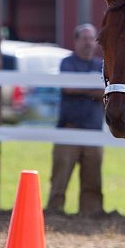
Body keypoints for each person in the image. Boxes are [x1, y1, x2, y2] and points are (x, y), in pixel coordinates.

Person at [46, 23, 105, 217]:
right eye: (84, 39)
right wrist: (93, 90)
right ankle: (55, 212)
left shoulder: (101, 65)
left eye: (91, 39)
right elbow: (68, 88)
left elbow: (106, 92)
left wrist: (87, 90)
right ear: (76, 41)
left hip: (93, 131)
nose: (88, 43)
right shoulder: (67, 62)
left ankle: (91, 213)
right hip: (69, 129)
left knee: (93, 178)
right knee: (60, 177)